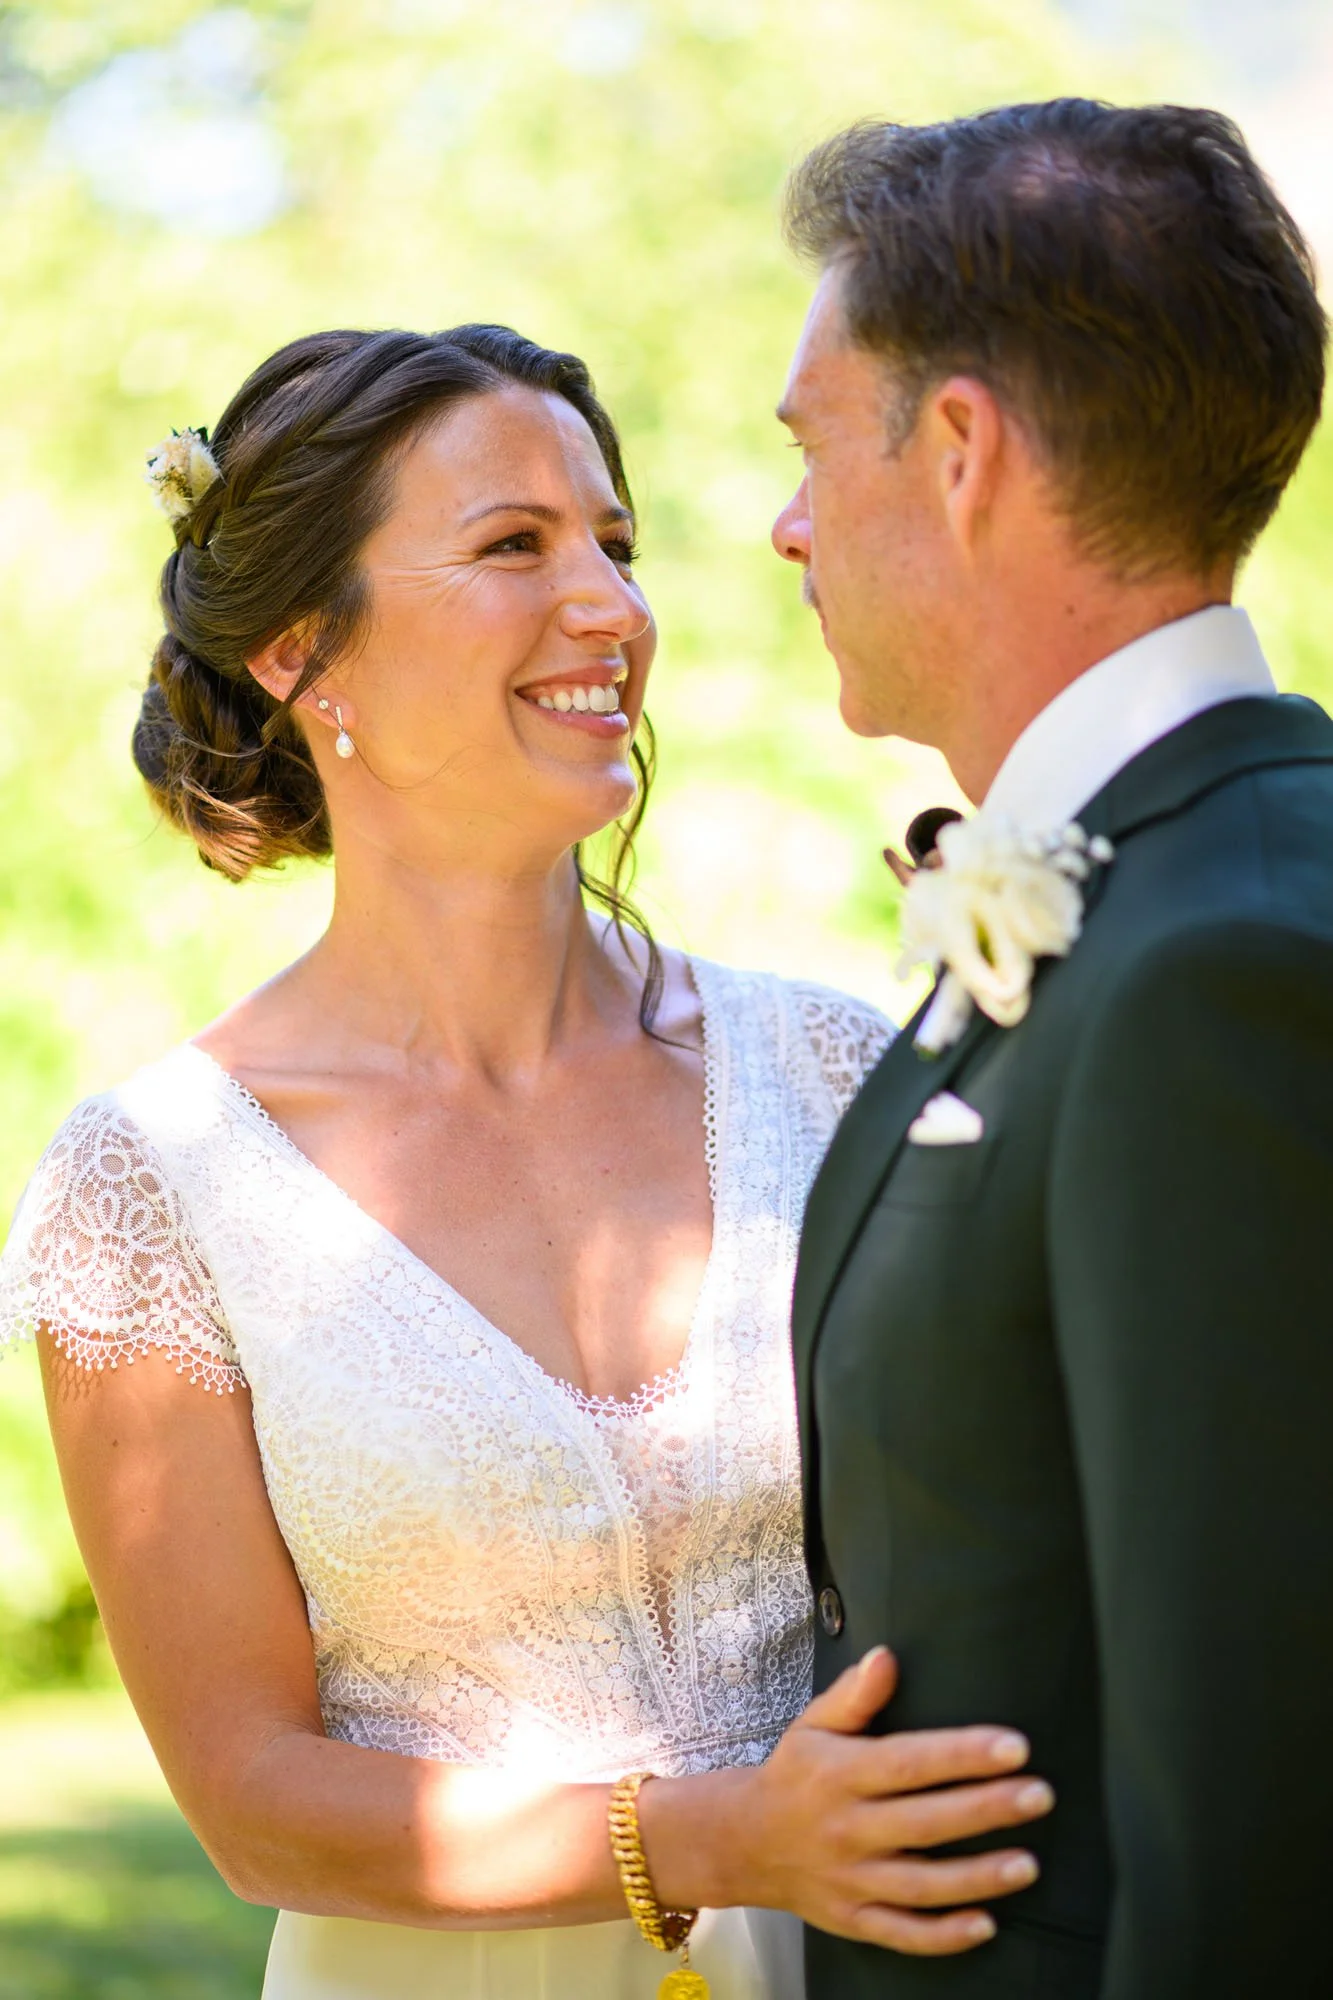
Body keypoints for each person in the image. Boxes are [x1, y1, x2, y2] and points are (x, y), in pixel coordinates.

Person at [0, 325, 1058, 2000]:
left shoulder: (830, 1066)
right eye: (515, 545)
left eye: (615, 546)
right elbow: (253, 1805)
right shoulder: (157, 1188)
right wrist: (719, 1841)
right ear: (296, 652)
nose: (616, 611)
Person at [773, 100, 1333, 1999]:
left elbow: (1263, 1817)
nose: (784, 524)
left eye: (807, 445)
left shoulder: (1224, 963)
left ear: (956, 453)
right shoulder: (1159, 881)